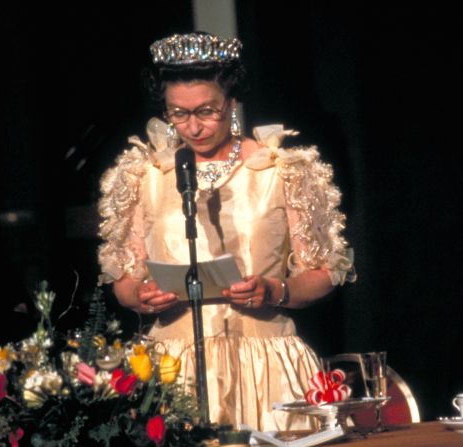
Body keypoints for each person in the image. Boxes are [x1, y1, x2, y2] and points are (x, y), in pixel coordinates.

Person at [97, 32, 356, 431]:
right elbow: (125, 281)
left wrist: (275, 290)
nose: (193, 126)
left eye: (206, 111)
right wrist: (142, 297)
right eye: (178, 114)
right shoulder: (142, 177)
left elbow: (323, 274)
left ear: (231, 103)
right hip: (173, 366)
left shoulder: (282, 169)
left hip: (266, 363)